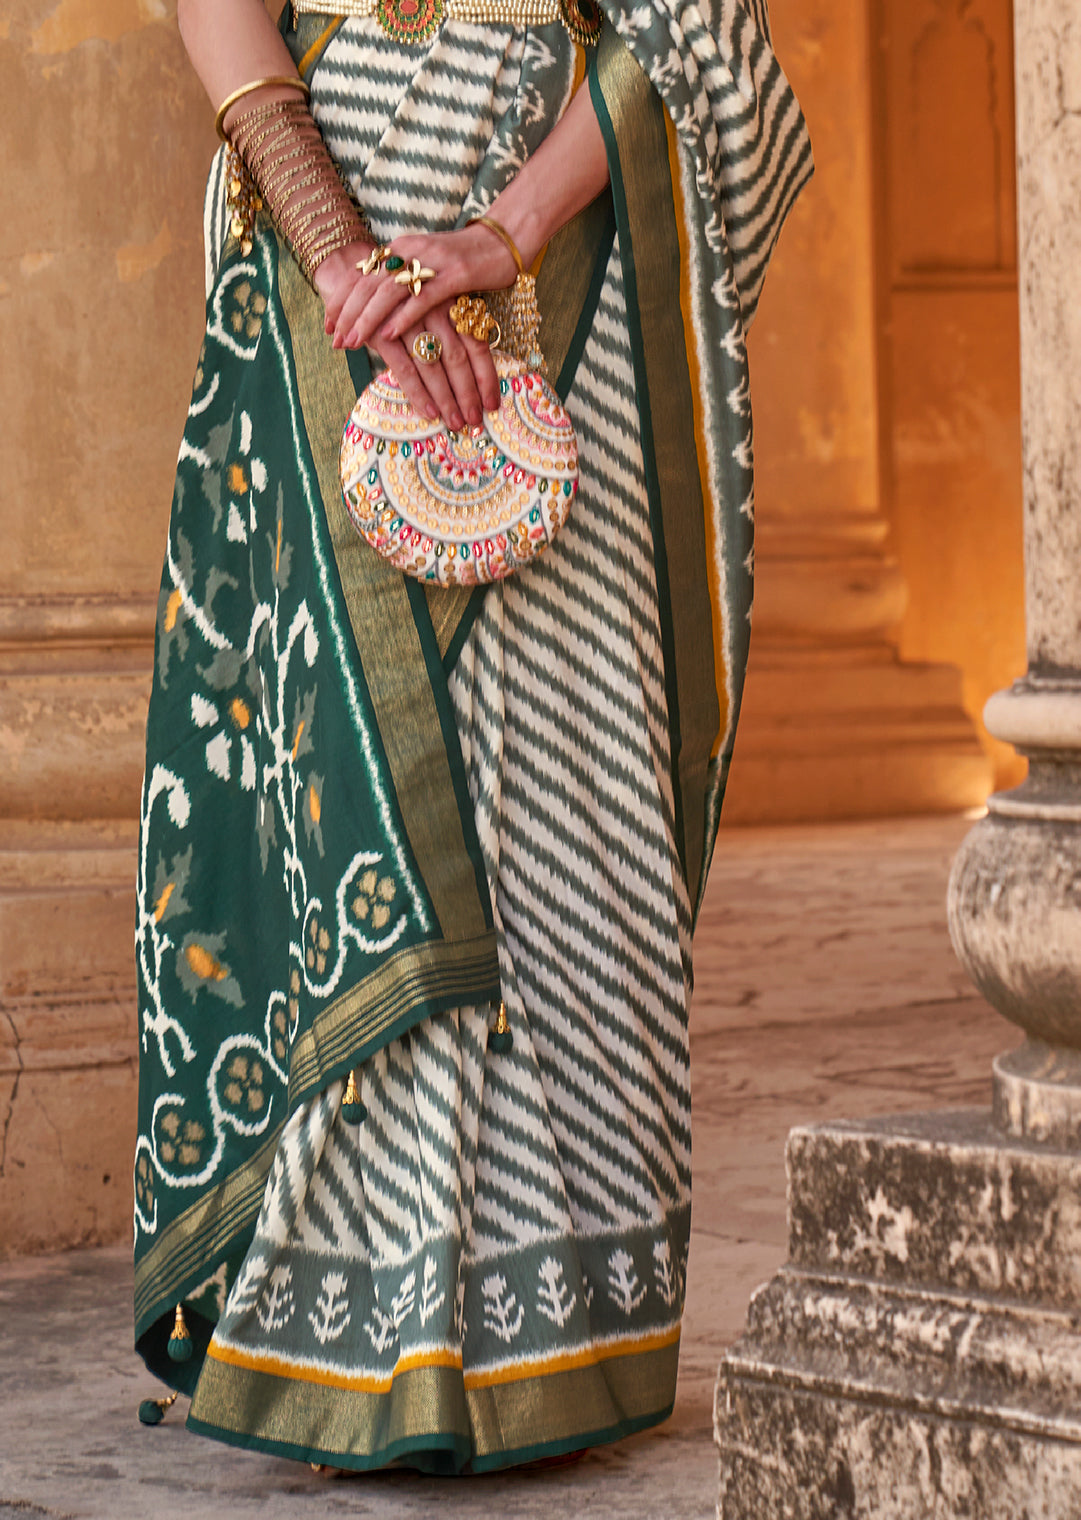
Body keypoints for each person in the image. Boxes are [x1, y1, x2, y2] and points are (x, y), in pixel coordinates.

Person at [133, 0, 811, 1473]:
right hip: (323, 241)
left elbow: (694, 29)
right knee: (352, 773)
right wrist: (341, 255)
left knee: (566, 774)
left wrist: (495, 240)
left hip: (560, 234)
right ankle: (350, 1332)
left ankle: (550, 1327)